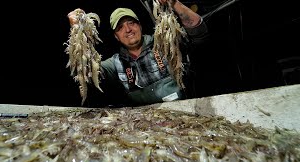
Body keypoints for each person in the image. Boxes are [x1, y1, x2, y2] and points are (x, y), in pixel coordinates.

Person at [67, 0, 208, 107]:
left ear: (139, 26)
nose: (128, 29)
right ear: (116, 36)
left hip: (183, 112)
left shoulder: (163, 42)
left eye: (131, 23)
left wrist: (174, 3)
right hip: (145, 125)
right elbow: (87, 74)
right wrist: (77, 32)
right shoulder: (115, 64)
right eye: (120, 27)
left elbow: (199, 31)